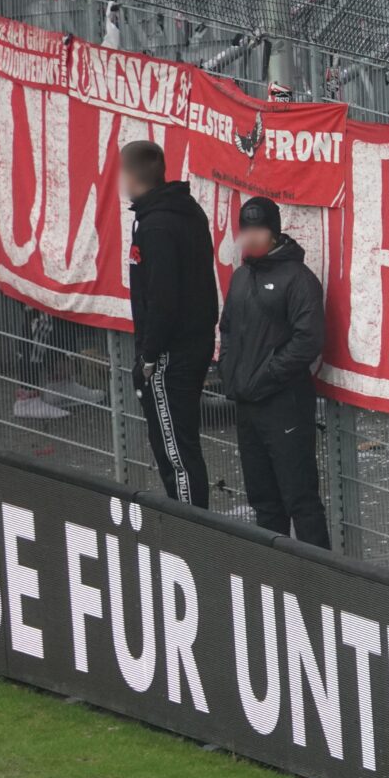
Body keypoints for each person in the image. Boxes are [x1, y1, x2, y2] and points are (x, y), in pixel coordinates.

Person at [218, 198, 330, 549]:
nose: (250, 237)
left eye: (258, 230)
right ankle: (274, 580)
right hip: (248, 406)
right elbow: (228, 329)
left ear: (275, 231)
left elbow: (308, 340)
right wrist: (229, 372)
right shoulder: (239, 278)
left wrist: (266, 376)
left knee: (300, 499)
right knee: (263, 501)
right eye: (245, 230)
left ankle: (324, 582)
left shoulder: (299, 279)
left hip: (285, 404)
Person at [122, 140, 217, 508]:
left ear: (131, 176)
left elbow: (162, 297)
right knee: (181, 447)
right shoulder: (184, 211)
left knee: (176, 455)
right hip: (189, 347)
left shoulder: (157, 225)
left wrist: (149, 356)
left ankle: (192, 537)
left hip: (169, 355)